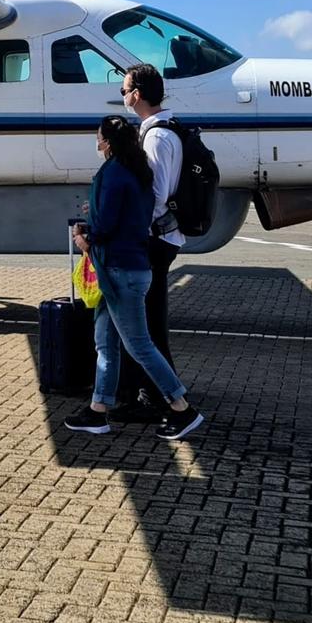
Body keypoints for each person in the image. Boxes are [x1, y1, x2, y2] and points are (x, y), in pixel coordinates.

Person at [63, 115, 204, 441]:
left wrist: (85, 239)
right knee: (105, 342)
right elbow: (127, 217)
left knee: (138, 344)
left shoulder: (112, 173)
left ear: (108, 142)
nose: (97, 142)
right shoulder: (138, 172)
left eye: (98, 137)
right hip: (132, 266)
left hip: (117, 271)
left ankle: (182, 407)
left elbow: (107, 226)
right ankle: (98, 409)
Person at [113, 63, 184, 421]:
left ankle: (157, 398)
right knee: (149, 321)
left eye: (124, 91)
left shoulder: (156, 136)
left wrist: (129, 228)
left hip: (153, 239)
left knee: (145, 324)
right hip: (160, 237)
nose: (123, 96)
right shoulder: (163, 130)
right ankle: (155, 393)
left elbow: (155, 196)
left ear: (137, 94)